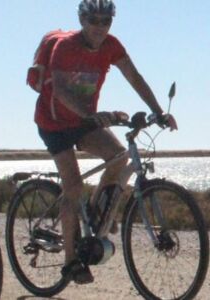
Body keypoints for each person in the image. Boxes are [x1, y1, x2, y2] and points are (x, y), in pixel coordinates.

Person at [33, 0, 178, 284]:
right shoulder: (66, 47)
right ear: (82, 20)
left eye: (106, 21)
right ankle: (70, 262)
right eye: (93, 20)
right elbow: (61, 91)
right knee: (73, 187)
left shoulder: (111, 46)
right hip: (54, 123)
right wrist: (94, 115)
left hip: (84, 122)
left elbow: (134, 76)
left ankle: (98, 213)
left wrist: (159, 112)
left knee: (119, 156)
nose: (99, 27)